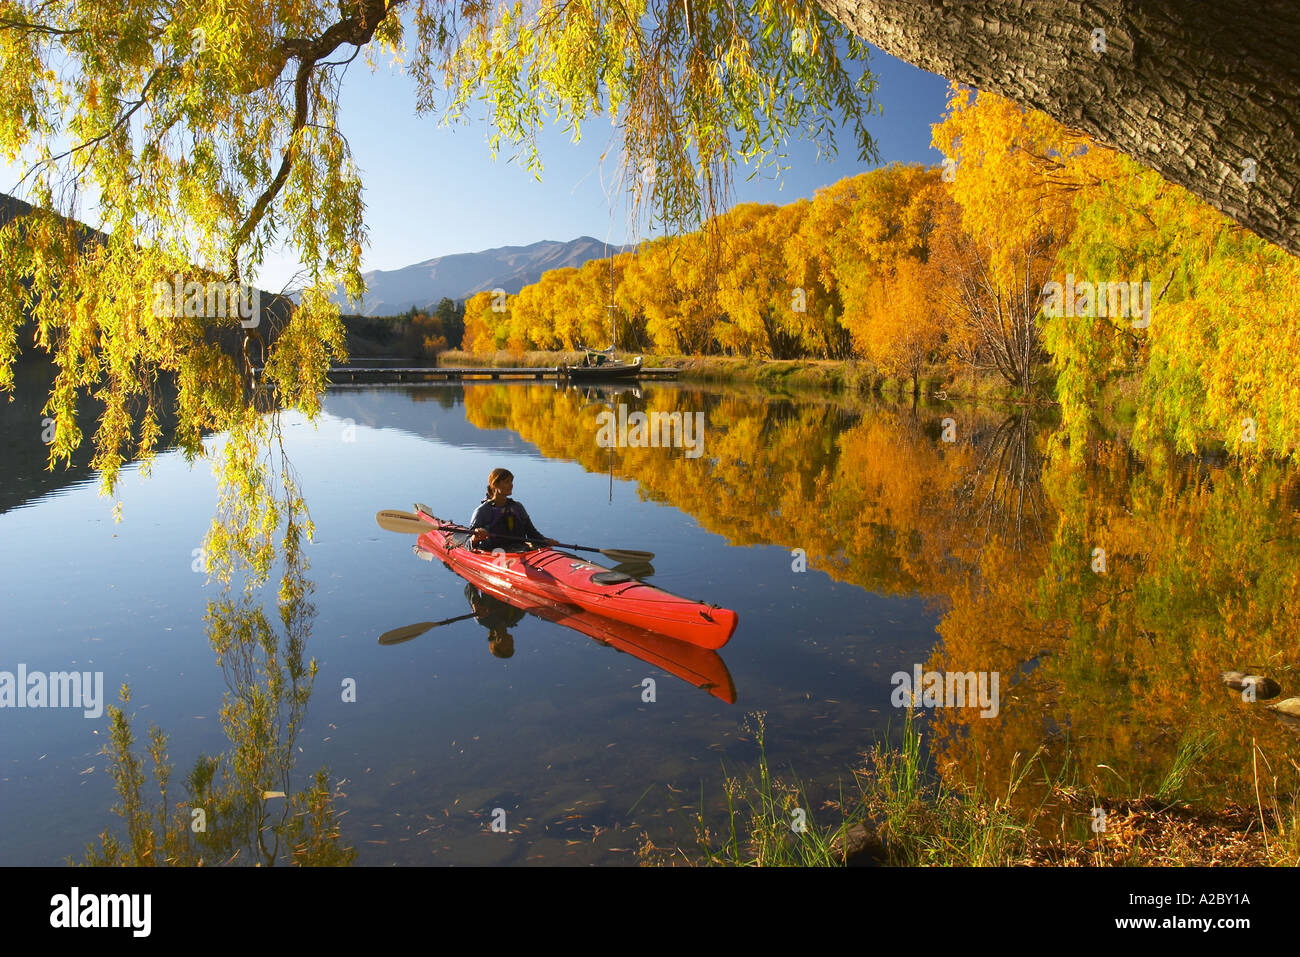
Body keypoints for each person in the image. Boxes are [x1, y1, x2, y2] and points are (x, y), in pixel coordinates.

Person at [469, 468, 555, 550]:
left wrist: (545, 541)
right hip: (492, 552)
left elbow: (531, 532)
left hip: (519, 550)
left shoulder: (518, 507)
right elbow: (468, 542)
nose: (511, 485)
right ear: (495, 484)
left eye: (511, 481)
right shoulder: (482, 511)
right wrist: (476, 536)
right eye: (507, 482)